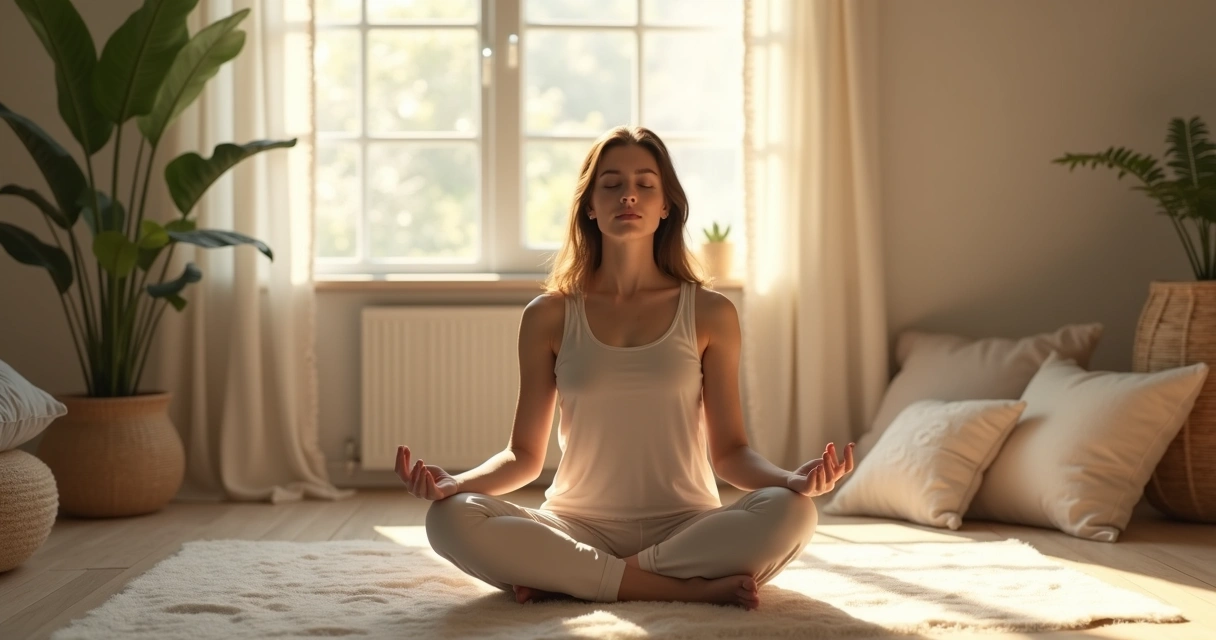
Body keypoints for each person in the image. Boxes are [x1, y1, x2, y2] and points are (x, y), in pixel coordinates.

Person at [396, 126, 854, 610]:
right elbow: (523, 456)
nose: (628, 194)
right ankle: (674, 588)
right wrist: (455, 484)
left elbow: (731, 453)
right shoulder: (548, 315)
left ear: (666, 206)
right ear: (590, 205)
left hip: (687, 526)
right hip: (576, 526)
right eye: (611, 183)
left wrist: (790, 481)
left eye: (645, 183)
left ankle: (574, 580)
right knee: (448, 519)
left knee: (794, 514)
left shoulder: (710, 312)